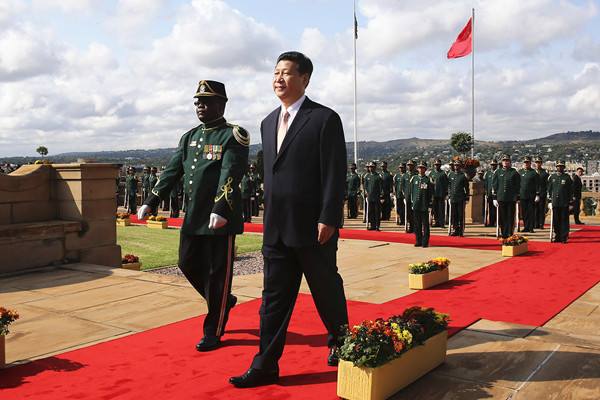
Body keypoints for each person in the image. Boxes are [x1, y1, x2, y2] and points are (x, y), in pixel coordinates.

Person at [230, 51, 348, 388]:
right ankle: (265, 364)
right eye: (275, 73)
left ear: (304, 79)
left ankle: (342, 342)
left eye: (286, 73)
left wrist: (329, 216)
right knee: (273, 300)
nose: (278, 79)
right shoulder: (268, 122)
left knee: (326, 290)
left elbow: (334, 172)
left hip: (313, 227)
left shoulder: (324, 119)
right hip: (276, 228)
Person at [137, 80, 249, 351]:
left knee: (218, 274)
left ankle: (213, 331)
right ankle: (223, 300)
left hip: (220, 217)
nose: (200, 106)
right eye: (198, 102)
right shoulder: (189, 137)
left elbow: (230, 173)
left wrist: (220, 208)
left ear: (221, 104)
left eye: (206, 101)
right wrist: (152, 200)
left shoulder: (232, 135)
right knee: (186, 262)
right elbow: (172, 172)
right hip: (194, 215)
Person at [492, 154, 520, 238]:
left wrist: (517, 197)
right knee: (502, 217)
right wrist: (494, 198)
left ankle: (510, 233)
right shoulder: (498, 172)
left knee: (510, 217)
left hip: (511, 198)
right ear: (502, 162)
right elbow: (495, 185)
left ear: (510, 162)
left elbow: (518, 185)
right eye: (504, 161)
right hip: (501, 197)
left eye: (507, 161)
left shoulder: (514, 172)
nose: (505, 162)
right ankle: (504, 233)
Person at [548, 160, 573, 243]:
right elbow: (549, 190)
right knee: (556, 221)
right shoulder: (552, 177)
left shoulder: (567, 177)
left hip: (564, 202)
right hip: (555, 202)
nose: (560, 168)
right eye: (558, 166)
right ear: (556, 167)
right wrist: (549, 201)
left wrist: (570, 202)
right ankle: (557, 236)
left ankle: (564, 237)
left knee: (564, 221)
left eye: (561, 166)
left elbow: (570, 191)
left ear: (564, 167)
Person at [410, 161, 433, 247]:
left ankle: (425, 242)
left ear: (425, 169)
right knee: (417, 224)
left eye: (422, 168)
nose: (421, 169)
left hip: (424, 205)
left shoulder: (428, 180)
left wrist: (430, 204)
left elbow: (431, 193)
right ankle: (418, 240)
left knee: (425, 224)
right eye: (419, 168)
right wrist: (412, 202)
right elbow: (412, 191)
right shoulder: (414, 178)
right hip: (416, 204)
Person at [519, 156, 540, 233]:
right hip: (522, 195)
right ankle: (526, 227)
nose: (526, 164)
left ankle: (531, 227)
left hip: (531, 196)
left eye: (527, 162)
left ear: (530, 163)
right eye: (525, 162)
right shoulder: (520, 172)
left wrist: (537, 194)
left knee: (531, 212)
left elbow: (538, 184)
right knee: (524, 213)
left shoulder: (534, 173)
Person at [448, 160, 469, 236]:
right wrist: (449, 196)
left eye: (458, 165)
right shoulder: (451, 175)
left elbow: (466, 187)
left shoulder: (463, 176)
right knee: (454, 215)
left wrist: (467, 197)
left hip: (460, 198)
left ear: (460, 167)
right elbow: (449, 186)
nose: (456, 166)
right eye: (455, 165)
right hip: (453, 198)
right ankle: (455, 229)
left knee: (460, 215)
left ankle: (461, 231)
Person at [429, 159, 448, 228]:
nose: (437, 166)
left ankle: (442, 223)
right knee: (435, 210)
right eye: (436, 165)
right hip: (434, 194)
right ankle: (436, 222)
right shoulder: (431, 173)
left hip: (441, 194)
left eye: (438, 165)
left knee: (441, 210)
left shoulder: (443, 173)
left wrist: (446, 193)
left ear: (440, 165)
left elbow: (446, 184)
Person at [363, 161, 382, 230]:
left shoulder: (378, 176)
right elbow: (365, 186)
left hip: (376, 197)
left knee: (377, 212)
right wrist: (366, 193)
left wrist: (381, 195)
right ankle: (372, 225)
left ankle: (377, 226)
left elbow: (381, 187)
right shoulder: (367, 176)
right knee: (371, 212)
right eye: (370, 167)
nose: (371, 168)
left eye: (372, 167)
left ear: (375, 167)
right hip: (370, 197)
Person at [534, 156, 549, 229]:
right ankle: (535, 224)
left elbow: (547, 184)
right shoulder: (533, 172)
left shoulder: (545, 173)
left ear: (541, 163)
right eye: (536, 162)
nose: (538, 164)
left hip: (542, 193)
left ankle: (541, 224)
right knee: (535, 210)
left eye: (539, 162)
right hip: (534, 194)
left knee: (541, 209)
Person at [402, 160, 417, 232]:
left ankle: (415, 227)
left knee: (415, 212)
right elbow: (402, 186)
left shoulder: (416, 175)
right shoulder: (405, 175)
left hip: (415, 196)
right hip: (407, 196)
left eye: (411, 165)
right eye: (408, 165)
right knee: (408, 212)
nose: (410, 166)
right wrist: (404, 195)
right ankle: (410, 226)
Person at [484, 159, 498, 227]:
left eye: (494, 165)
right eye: (492, 165)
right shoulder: (488, 173)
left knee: (497, 209)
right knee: (490, 209)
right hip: (490, 194)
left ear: (496, 165)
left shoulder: (498, 172)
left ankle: (497, 222)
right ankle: (491, 222)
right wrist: (486, 193)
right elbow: (486, 184)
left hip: (497, 194)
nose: (493, 166)